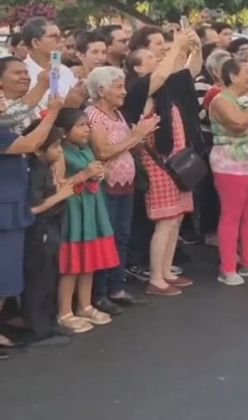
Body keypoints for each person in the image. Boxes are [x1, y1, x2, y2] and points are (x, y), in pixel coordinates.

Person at [123, 30, 204, 296]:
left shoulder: (165, 88)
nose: (157, 59)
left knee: (176, 218)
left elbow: (188, 71)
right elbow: (159, 76)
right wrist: (177, 45)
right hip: (158, 163)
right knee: (165, 219)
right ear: (136, 67)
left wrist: (193, 48)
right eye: (149, 57)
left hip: (176, 161)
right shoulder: (137, 90)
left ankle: (167, 271)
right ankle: (156, 278)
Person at [86, 67, 157, 314]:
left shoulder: (117, 114)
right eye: (118, 86)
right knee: (106, 238)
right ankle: (100, 293)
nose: (124, 91)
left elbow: (127, 146)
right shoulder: (94, 116)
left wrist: (140, 136)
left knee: (122, 237)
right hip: (106, 186)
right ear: (101, 90)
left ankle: (117, 287)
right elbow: (103, 151)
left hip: (125, 185)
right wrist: (135, 136)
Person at [0, 101, 63, 357]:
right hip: (4, 212)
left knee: (8, 277)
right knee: (3, 274)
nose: (3, 102)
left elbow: (19, 111)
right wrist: (55, 111)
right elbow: (30, 143)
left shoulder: (5, 126)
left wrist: (42, 85)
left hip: (13, 210)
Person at [207, 58, 248, 287]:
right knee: (232, 215)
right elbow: (238, 123)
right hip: (230, 163)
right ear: (232, 76)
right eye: (246, 72)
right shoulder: (220, 100)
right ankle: (227, 268)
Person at [55, 108, 118, 333]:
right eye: (81, 126)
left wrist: (100, 174)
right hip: (73, 209)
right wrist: (84, 175)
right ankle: (64, 311)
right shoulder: (60, 152)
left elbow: (96, 173)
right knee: (72, 264)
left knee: (89, 260)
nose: (86, 130)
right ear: (64, 131)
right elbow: (57, 184)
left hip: (92, 207)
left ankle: (85, 304)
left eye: (87, 125)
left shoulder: (87, 149)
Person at [22, 18, 82, 108]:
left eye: (61, 36)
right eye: (54, 36)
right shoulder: (21, 73)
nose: (61, 40)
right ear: (36, 42)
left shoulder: (65, 71)